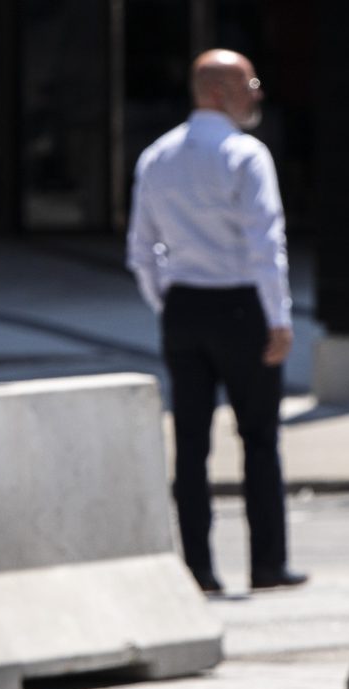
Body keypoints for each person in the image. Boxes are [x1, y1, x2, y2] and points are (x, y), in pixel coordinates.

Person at [127, 48, 307, 595]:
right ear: (218, 93)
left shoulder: (156, 156)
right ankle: (267, 565)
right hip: (240, 306)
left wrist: (169, 303)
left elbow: (140, 250)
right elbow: (264, 243)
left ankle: (198, 570)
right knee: (258, 438)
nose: (258, 93)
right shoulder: (246, 155)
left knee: (190, 441)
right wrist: (278, 317)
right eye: (249, 83)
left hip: (185, 306)